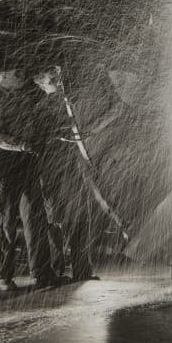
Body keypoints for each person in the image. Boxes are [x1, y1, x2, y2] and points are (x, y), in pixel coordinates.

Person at [0, 66, 60, 291]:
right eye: (17, 74)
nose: (23, 76)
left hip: (28, 162)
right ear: (2, 77)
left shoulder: (25, 100)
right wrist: (23, 145)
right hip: (5, 166)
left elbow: (38, 127)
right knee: (5, 221)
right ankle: (4, 277)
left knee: (35, 218)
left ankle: (41, 273)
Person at [33, 65, 100, 282]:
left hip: (74, 169)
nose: (58, 82)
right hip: (54, 170)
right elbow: (42, 140)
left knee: (81, 218)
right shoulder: (42, 109)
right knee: (56, 221)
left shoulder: (70, 103)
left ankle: (82, 269)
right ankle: (56, 270)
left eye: (59, 77)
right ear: (42, 84)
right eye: (52, 79)